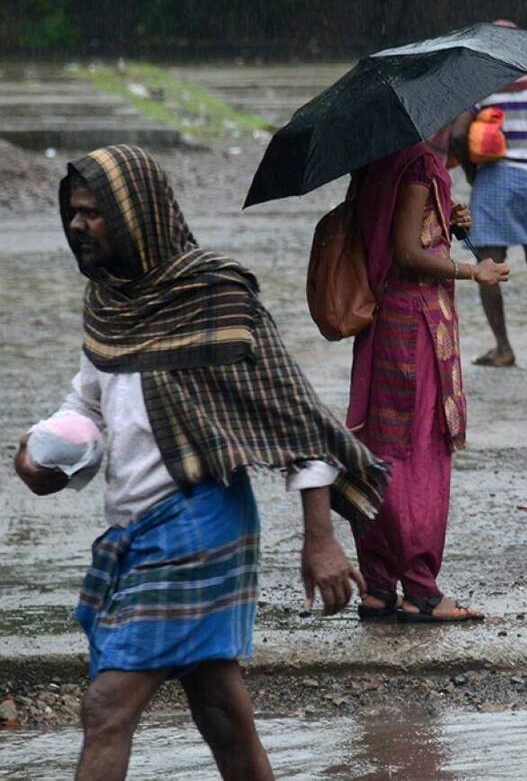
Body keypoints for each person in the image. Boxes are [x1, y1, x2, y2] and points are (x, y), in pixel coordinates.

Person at [14, 145, 387, 781]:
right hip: (134, 530)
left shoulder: (213, 293)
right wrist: (42, 458)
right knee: (220, 709)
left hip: (199, 521)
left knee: (107, 707)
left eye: (93, 213)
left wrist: (321, 540)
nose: (77, 225)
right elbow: (92, 405)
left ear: (137, 214)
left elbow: (296, 419)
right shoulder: (109, 301)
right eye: (71, 213)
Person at [347, 141, 509, 622]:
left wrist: (443, 221)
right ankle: (421, 588)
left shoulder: (375, 157)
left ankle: (378, 584)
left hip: (382, 319)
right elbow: (406, 252)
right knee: (419, 452)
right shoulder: (419, 160)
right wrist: (471, 270)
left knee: (381, 443)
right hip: (415, 321)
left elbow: (390, 232)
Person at [450, 21, 527, 366]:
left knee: (488, 262)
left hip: (495, 178)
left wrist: (473, 174)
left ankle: (503, 347)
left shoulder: (485, 81)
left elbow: (459, 135)